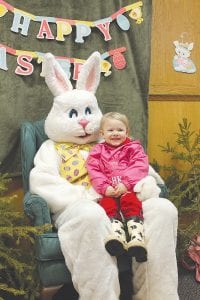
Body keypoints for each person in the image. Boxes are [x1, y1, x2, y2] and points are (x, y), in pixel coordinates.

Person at [86, 112, 149, 262]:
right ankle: (117, 237)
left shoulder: (133, 148)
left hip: (127, 189)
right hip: (109, 191)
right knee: (107, 205)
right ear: (102, 133)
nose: (115, 133)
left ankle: (136, 239)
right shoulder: (97, 151)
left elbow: (140, 165)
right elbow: (94, 171)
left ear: (127, 132)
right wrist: (104, 187)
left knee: (131, 202)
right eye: (110, 130)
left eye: (120, 130)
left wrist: (126, 183)